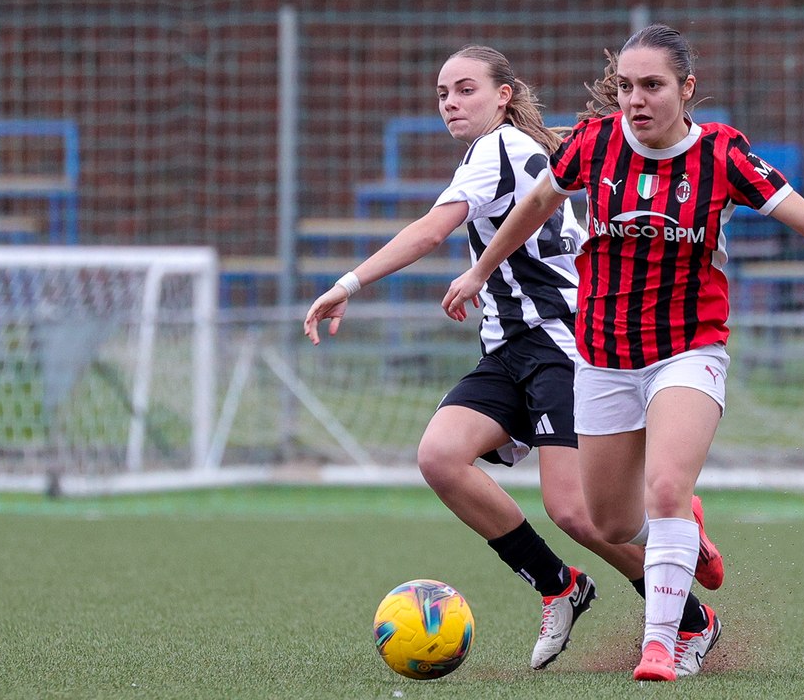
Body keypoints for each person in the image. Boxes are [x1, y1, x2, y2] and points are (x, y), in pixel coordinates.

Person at [443, 25, 804, 681]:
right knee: (609, 522)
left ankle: (664, 645)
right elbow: (534, 207)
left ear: (686, 88)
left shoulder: (722, 155)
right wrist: (479, 271)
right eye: (625, 86)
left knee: (668, 486)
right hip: (604, 354)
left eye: (652, 85)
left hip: (689, 349)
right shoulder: (594, 144)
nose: (636, 99)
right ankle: (684, 537)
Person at [303, 45, 720, 672]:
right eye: (442, 93)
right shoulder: (501, 151)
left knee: (576, 511)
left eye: (465, 89)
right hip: (506, 346)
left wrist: (348, 284)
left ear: (504, 96)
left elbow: (431, 230)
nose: (450, 103)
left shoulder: (500, 148)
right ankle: (560, 585)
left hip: (559, 342)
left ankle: (690, 616)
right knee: (441, 457)